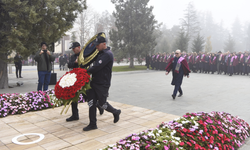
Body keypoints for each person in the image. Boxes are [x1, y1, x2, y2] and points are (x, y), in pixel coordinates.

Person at [83, 33, 121, 131]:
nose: (96, 47)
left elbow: (96, 67)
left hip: (102, 84)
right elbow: (89, 58)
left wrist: (85, 71)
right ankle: (92, 124)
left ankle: (115, 112)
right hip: (95, 82)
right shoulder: (100, 53)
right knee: (91, 102)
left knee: (102, 103)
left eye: (97, 45)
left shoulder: (107, 54)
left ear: (104, 44)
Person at [66, 42, 104, 122]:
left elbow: (88, 65)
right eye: (72, 49)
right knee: (74, 98)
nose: (73, 50)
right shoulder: (73, 56)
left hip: (83, 80)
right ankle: (75, 115)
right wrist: (75, 63)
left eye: (74, 48)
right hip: (74, 80)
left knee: (88, 97)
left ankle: (99, 106)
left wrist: (80, 62)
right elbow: (69, 65)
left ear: (79, 47)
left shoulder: (85, 55)